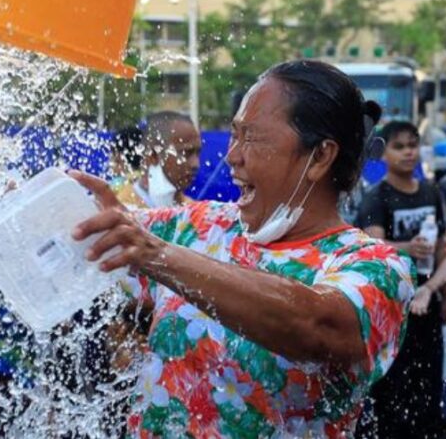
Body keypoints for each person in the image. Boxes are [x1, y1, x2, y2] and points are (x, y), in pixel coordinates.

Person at [73, 60, 414, 437]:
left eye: (250, 138)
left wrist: (159, 256)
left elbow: (316, 325)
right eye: (233, 136)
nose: (231, 156)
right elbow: (86, 235)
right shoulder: (198, 225)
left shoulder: (375, 265)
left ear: (319, 157)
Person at [355, 121, 446, 438]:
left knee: (429, 383)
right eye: (399, 146)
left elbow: (442, 246)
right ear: (384, 153)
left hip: (428, 302)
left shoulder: (431, 191)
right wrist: (406, 247)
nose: (408, 152)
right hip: (392, 308)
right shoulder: (377, 197)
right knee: (392, 388)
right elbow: (372, 247)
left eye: (412, 145)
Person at [115, 111, 201, 209]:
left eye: (198, 153)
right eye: (185, 153)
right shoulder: (123, 209)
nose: (196, 164)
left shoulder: (193, 210)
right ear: (154, 156)